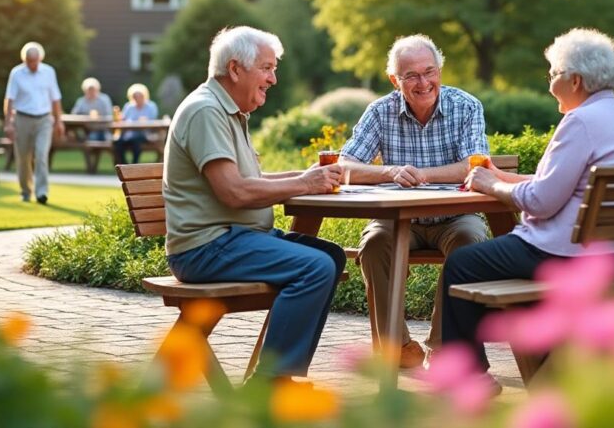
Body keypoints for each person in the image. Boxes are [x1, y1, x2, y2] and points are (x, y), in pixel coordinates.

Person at [440, 28, 614, 386]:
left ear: (576, 80)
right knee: (506, 281)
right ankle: (551, 370)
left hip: (566, 256)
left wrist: (489, 185)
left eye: (553, 74)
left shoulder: (580, 121)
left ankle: (467, 379)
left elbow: (541, 201)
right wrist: (501, 178)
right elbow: (557, 184)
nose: (550, 84)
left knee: (462, 264)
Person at [164, 26, 346, 382]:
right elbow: (234, 192)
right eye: (266, 68)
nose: (273, 79)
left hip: (232, 239)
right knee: (314, 267)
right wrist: (304, 183)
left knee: (331, 256)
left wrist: (306, 176)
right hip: (206, 248)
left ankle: (282, 377)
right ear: (235, 69)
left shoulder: (227, 110)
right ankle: (269, 385)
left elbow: (248, 182)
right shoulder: (206, 111)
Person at [338, 34, 490, 368]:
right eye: (411, 76)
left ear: (439, 71)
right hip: (396, 217)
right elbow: (344, 165)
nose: (423, 83)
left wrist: (423, 175)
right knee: (374, 244)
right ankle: (398, 347)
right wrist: (389, 171)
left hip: (455, 217)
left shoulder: (466, 106)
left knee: (470, 242)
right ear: (395, 80)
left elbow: (474, 165)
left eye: (429, 71)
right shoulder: (380, 111)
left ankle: (443, 346)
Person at [4, 42, 64, 204]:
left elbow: (56, 98)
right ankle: (25, 190)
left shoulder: (49, 72)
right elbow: (10, 99)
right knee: (23, 157)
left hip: (44, 119)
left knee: (41, 155)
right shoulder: (17, 73)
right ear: (25, 60)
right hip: (22, 119)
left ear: (40, 59)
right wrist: (8, 123)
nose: (33, 64)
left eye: (35, 61)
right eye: (30, 61)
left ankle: (41, 192)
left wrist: (59, 121)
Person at [113, 83, 158, 164]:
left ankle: (134, 164)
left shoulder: (151, 106)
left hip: (144, 133)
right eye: (135, 96)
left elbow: (153, 121)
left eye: (139, 96)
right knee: (117, 142)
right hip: (129, 133)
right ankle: (124, 165)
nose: (137, 98)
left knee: (136, 141)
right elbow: (123, 120)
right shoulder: (128, 106)